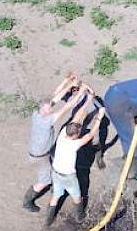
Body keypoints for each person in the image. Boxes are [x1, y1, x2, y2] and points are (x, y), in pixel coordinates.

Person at [23, 74, 89, 212]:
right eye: (47, 109)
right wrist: (81, 92)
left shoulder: (37, 114)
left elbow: (54, 98)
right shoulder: (47, 120)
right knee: (44, 180)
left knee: (55, 165)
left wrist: (68, 83)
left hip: (37, 152)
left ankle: (55, 185)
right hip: (40, 157)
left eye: (49, 108)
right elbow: (67, 107)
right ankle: (27, 201)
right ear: (42, 110)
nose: (50, 110)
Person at [46, 107, 106, 226]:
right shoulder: (74, 144)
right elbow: (91, 134)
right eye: (78, 133)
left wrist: (87, 102)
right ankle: (80, 217)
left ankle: (48, 221)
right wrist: (99, 117)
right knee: (77, 197)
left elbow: (76, 118)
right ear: (74, 135)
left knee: (55, 196)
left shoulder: (62, 134)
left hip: (56, 172)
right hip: (68, 177)